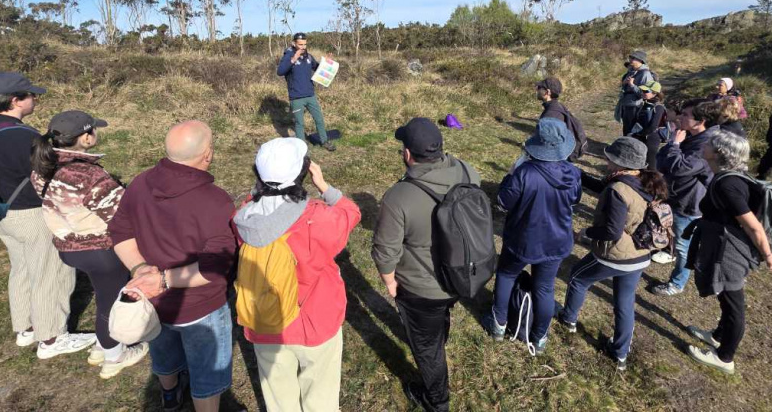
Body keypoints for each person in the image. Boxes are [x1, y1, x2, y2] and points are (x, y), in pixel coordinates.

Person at [109, 121, 237, 412]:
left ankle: (170, 395)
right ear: (208, 154)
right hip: (201, 306)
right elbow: (214, 267)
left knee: (163, 352)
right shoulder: (215, 201)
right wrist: (163, 280)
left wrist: (140, 269)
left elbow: (120, 232)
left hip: (153, 301)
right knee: (207, 375)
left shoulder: (140, 183)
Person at [232, 138, 361, 412]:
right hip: (316, 322)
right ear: (304, 172)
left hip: (266, 323)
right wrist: (323, 186)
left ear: (259, 175)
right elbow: (351, 213)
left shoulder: (243, 219)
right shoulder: (318, 217)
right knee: (321, 398)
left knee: (279, 401)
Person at [0, 72, 94, 359]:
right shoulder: (22, 136)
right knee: (51, 272)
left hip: (0, 212)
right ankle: (51, 338)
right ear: (16, 101)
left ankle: (25, 327)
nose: (35, 99)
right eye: (31, 95)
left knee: (23, 267)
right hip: (30, 213)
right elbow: (50, 174)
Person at [372, 118, 481, 412]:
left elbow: (385, 252)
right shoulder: (468, 171)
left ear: (408, 154)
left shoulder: (399, 197)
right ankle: (440, 334)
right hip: (462, 275)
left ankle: (437, 401)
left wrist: (390, 283)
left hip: (422, 289)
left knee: (427, 348)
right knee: (441, 315)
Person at [30, 110, 148, 378]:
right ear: (85, 138)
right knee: (110, 302)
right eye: (94, 129)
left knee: (103, 294)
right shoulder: (88, 175)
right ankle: (114, 356)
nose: (96, 133)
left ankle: (102, 346)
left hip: (67, 247)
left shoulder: (41, 168)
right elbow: (123, 214)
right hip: (101, 251)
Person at [557, 137, 668, 371]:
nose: (606, 160)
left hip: (617, 255)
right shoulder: (643, 180)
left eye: (610, 157)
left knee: (577, 277)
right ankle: (620, 354)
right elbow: (604, 187)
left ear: (620, 162)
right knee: (624, 302)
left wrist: (585, 233)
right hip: (640, 254)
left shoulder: (618, 190)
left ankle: (568, 319)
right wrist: (578, 173)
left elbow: (610, 232)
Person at [684, 130, 772, 374]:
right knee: (725, 298)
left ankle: (725, 357)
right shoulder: (728, 177)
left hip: (730, 251)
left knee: (733, 304)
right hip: (724, 244)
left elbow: (753, 225)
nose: (704, 144)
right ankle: (718, 336)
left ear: (719, 153)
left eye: (710, 143)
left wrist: (769, 255)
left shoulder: (728, 185)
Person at [482, 117, 582, 354]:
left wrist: (509, 175)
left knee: (506, 275)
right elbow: (575, 201)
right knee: (544, 287)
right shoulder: (574, 173)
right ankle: (539, 338)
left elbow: (503, 202)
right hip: (556, 240)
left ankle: (499, 324)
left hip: (522, 239)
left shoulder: (524, 173)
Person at [649, 99, 717, 288]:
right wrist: (674, 146)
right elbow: (661, 160)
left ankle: (677, 283)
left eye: (686, 115)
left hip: (688, 203)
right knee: (668, 231)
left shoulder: (706, 145)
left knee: (683, 246)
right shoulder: (689, 136)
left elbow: (680, 168)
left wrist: (674, 145)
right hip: (675, 194)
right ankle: (667, 252)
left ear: (701, 121)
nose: (680, 117)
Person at [277, 32, 336, 151]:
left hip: (310, 95)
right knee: (299, 124)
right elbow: (280, 71)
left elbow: (317, 68)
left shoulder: (309, 57)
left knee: (319, 119)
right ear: (294, 43)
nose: (303, 47)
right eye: (300, 44)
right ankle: (301, 148)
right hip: (296, 97)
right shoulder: (288, 55)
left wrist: (326, 63)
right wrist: (294, 58)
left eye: (305, 44)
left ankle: (324, 141)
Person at [537, 77, 587, 159]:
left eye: (540, 88)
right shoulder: (557, 106)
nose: (537, 90)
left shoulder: (551, 114)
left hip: (559, 156)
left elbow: (549, 144)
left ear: (548, 92)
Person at [615, 50, 656, 136]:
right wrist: (624, 83)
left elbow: (645, 95)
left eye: (633, 58)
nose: (630, 59)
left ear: (640, 60)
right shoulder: (631, 71)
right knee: (626, 129)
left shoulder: (645, 74)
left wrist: (632, 85)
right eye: (630, 57)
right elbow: (624, 87)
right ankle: (625, 143)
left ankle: (630, 143)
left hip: (636, 106)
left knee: (633, 130)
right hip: (626, 103)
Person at [629, 81, 668, 169]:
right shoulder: (645, 104)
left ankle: (652, 175)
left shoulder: (659, 107)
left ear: (655, 93)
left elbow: (653, 126)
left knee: (651, 161)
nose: (643, 93)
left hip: (652, 136)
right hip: (641, 135)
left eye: (646, 91)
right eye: (642, 90)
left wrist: (639, 134)